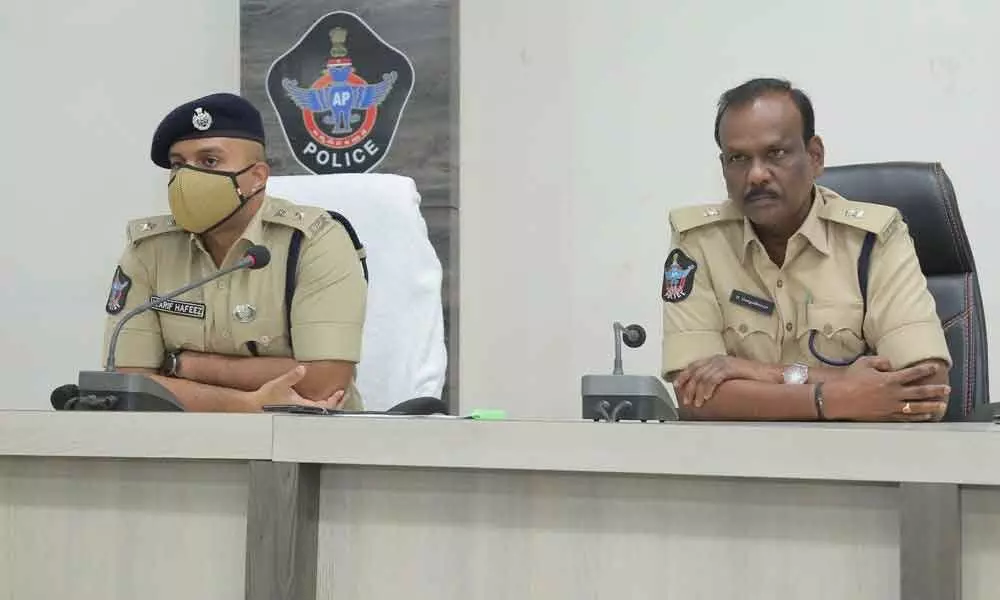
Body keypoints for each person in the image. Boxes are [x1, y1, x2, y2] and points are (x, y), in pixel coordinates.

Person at [661, 78, 952, 422]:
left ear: (814, 156)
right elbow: (693, 395)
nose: (755, 175)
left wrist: (750, 373)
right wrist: (836, 394)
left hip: (859, 465)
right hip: (739, 464)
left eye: (776, 153)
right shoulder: (699, 242)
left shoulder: (873, 239)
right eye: (738, 158)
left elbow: (926, 388)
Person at [102, 93, 367, 412]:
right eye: (178, 164)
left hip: (306, 446)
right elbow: (127, 385)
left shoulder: (314, 241)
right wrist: (246, 403)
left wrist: (182, 366)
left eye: (209, 161)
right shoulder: (148, 250)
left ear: (257, 177)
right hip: (185, 449)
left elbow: (324, 382)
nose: (187, 178)